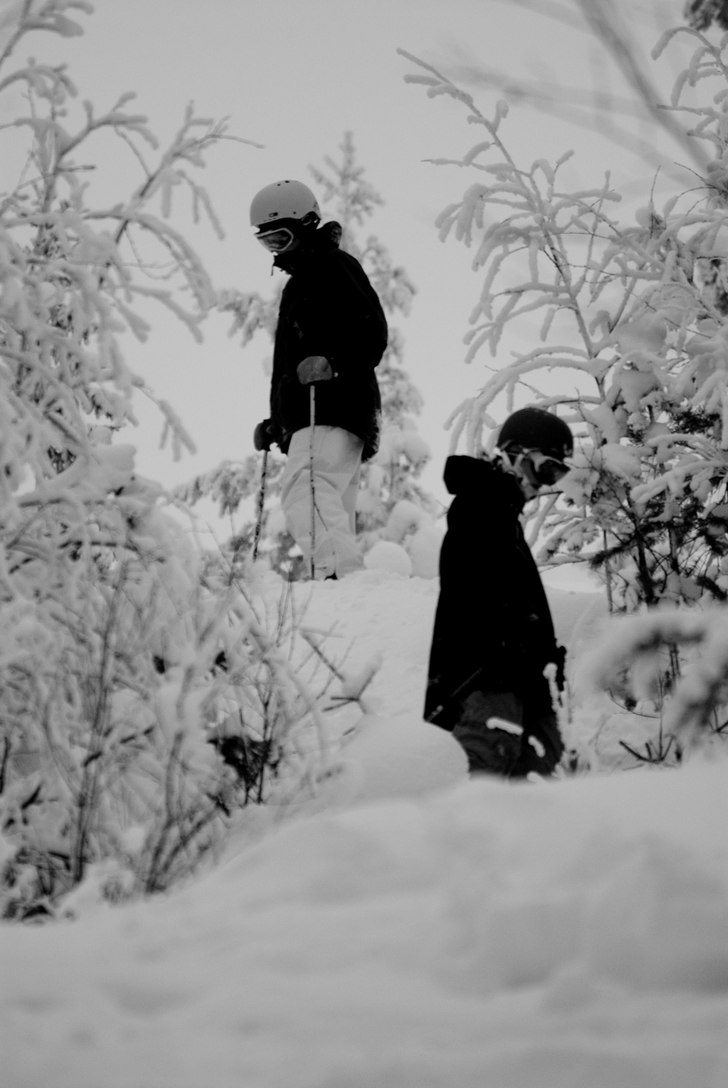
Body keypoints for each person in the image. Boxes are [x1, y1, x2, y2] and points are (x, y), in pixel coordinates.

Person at [424, 406, 574, 778]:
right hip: (486, 690)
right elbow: (481, 605)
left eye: (558, 474)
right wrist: (514, 651)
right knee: (478, 806)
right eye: (546, 468)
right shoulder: (480, 507)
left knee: (517, 813)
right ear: (515, 453)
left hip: (512, 687)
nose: (545, 483)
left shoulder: (500, 514)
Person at [250, 179, 388, 579]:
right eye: (267, 242)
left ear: (307, 223)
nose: (276, 248)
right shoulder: (301, 281)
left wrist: (333, 363)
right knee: (327, 503)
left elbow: (372, 334)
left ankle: (338, 576)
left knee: (306, 491)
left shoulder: (332, 266)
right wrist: (278, 422)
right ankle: (336, 590)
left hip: (334, 404)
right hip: (318, 412)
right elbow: (291, 365)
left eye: (281, 236)